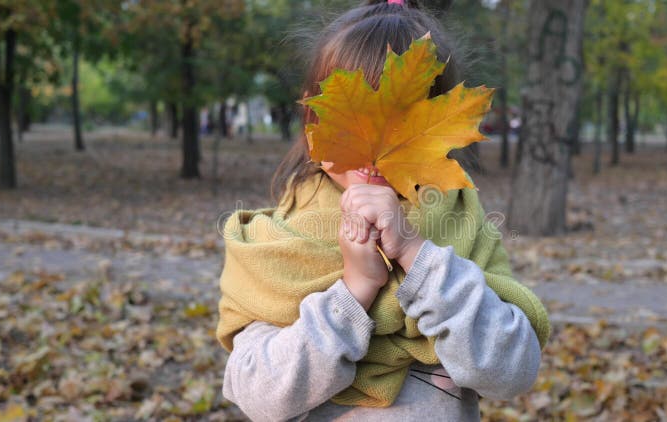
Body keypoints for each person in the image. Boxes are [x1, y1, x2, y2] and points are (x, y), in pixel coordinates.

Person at [215, 0, 552, 420]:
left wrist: (417, 256)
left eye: (400, 119)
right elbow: (259, 394)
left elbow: (511, 371)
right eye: (353, 116)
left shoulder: (462, 222)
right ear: (310, 113)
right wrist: (353, 291)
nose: (374, 139)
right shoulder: (276, 244)